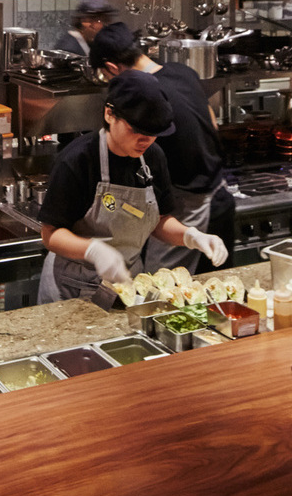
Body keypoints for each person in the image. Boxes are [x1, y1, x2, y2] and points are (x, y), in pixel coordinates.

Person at [35, 70, 228, 307]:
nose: (145, 141)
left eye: (153, 133)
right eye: (135, 130)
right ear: (109, 114)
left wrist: (191, 236)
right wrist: (93, 250)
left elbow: (158, 220)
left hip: (127, 283)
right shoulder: (78, 159)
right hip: (72, 287)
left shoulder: (153, 157)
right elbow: (50, 234)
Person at [89, 22, 230, 274]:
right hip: (221, 195)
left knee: (162, 287)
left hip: (189, 206)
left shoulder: (143, 92)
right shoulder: (181, 70)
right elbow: (212, 121)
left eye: (105, 76)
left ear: (112, 67)